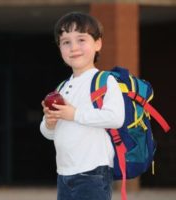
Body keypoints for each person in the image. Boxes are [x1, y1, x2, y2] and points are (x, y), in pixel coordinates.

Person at [39, 12, 125, 200]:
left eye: (81, 40)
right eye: (66, 42)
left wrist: (74, 114)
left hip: (93, 173)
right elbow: (48, 133)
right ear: (59, 48)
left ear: (98, 44)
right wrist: (50, 123)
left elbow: (116, 118)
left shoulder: (105, 80)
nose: (73, 47)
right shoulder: (61, 88)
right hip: (64, 173)